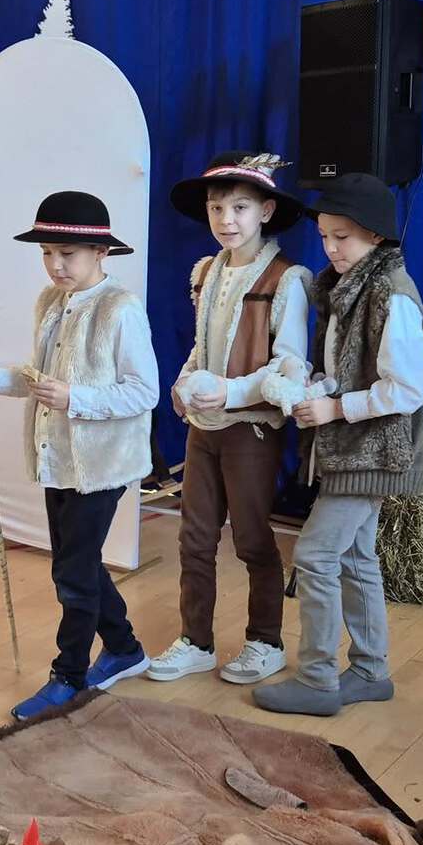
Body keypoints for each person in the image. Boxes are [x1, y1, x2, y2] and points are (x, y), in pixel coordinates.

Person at [0, 191, 159, 721]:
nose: (55, 264)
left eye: (67, 254)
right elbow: (41, 378)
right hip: (59, 458)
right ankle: (124, 648)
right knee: (79, 563)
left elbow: (144, 391)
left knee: (72, 573)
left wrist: (77, 398)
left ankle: (69, 676)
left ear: (101, 252)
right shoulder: (49, 302)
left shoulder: (121, 309)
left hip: (102, 464)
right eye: (47, 252)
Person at [250, 173, 423, 717]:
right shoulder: (349, 288)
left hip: (372, 448)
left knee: (315, 555)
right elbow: (351, 367)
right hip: (353, 445)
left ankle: (317, 678)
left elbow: (409, 387)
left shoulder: (389, 294)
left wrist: (337, 408)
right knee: (355, 556)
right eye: (325, 236)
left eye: (343, 237)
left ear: (376, 235)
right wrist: (320, 388)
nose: (330, 248)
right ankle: (371, 671)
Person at [149, 151, 313, 687]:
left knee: (250, 537)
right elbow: (203, 346)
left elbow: (289, 366)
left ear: (266, 211)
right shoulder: (206, 272)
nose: (227, 220)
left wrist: (230, 392)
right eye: (217, 208)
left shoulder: (287, 279)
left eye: (240, 207)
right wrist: (183, 384)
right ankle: (196, 641)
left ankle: (265, 640)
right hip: (205, 429)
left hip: (251, 430)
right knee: (194, 537)